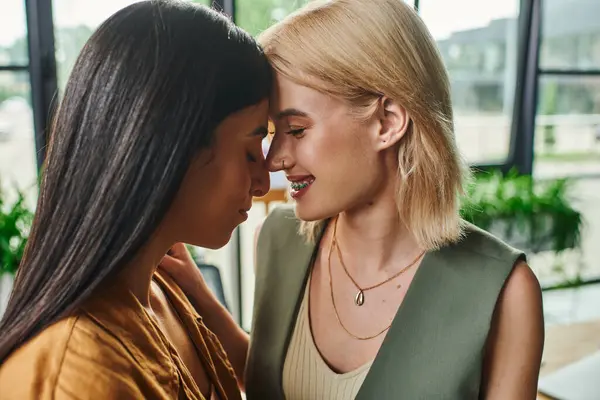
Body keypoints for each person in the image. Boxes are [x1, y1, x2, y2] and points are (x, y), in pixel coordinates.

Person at [162, 0, 545, 399]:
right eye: (272, 132)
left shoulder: (505, 293)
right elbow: (273, 379)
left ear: (387, 122)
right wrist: (197, 294)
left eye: (295, 129)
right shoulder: (277, 239)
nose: (274, 158)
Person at [0, 1, 271, 399]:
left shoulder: (163, 290)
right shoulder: (74, 372)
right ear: (174, 146)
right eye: (251, 151)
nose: (264, 181)